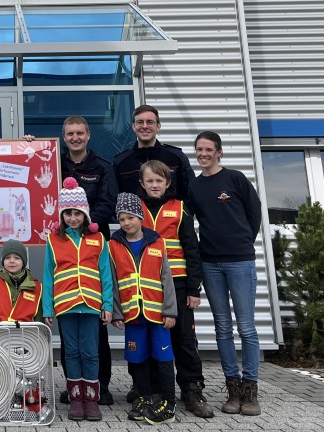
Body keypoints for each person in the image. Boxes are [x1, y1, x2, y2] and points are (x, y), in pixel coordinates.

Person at [187, 131, 263, 417]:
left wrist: (242, 242)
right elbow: (190, 222)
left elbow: (254, 215)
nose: (203, 154)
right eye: (199, 149)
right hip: (210, 263)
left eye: (208, 149)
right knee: (222, 328)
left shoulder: (235, 179)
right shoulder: (194, 186)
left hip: (240, 261)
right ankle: (233, 389)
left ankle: (251, 390)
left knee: (246, 328)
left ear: (218, 152)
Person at [138, 160, 213, 418]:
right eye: (150, 181)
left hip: (180, 285)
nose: (155, 185)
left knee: (184, 339)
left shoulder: (180, 209)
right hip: (147, 285)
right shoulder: (135, 209)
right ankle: (156, 389)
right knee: (154, 338)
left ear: (168, 183)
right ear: (142, 184)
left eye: (159, 180)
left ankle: (192, 389)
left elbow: (192, 250)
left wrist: (194, 288)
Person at [57, 115, 118, 405]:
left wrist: (89, 224)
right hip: (65, 245)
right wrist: (29, 146)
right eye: (70, 133)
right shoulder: (53, 163)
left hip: (94, 244)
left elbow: (108, 202)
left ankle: (100, 385)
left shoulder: (103, 167)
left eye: (80, 133)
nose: (75, 137)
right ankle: (73, 387)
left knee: (96, 327)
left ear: (88, 135)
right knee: (70, 328)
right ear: (64, 136)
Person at [43, 178, 113, 422]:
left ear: (85, 214)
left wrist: (108, 305)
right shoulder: (54, 240)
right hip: (66, 306)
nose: (73, 218)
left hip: (92, 305)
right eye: (68, 213)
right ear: (62, 215)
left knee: (91, 352)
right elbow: (48, 276)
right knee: (71, 352)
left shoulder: (98, 239)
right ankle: (75, 399)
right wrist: (47, 307)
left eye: (77, 213)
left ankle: (91, 400)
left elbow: (106, 274)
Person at [109, 192, 178, 425]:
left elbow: (166, 279)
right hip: (132, 315)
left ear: (140, 217)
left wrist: (170, 310)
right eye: (121, 219)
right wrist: (117, 312)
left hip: (157, 314)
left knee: (163, 357)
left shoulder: (157, 242)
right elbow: (113, 283)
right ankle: (144, 398)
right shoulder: (113, 245)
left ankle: (169, 402)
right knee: (137, 358)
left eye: (131, 217)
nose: (126, 223)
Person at [113, 105, 195, 198]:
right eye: (140, 122)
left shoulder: (176, 157)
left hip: (170, 212)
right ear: (133, 126)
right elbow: (114, 198)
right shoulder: (121, 162)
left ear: (158, 126)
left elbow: (191, 192)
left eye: (150, 122)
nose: (144, 126)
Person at [0, 239, 43, 323]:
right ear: (3, 261)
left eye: (17, 258)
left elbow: (39, 320)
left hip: (28, 334)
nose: (12, 261)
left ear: (23, 262)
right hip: (0, 334)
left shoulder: (37, 287)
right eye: (7, 257)